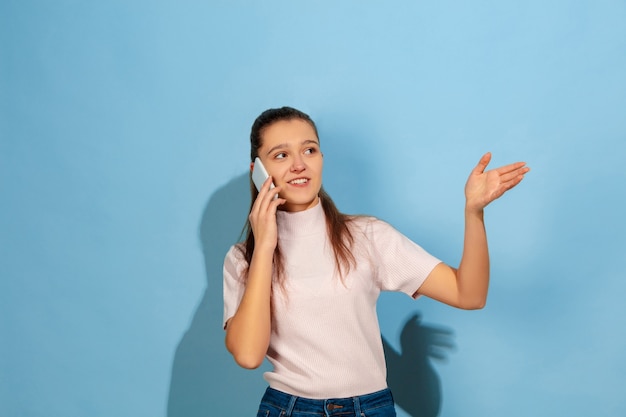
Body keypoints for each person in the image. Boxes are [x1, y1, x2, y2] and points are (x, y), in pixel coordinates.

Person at [223, 106, 529, 417]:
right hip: (288, 409)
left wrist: (474, 211)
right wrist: (264, 248)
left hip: (368, 408)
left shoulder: (368, 236)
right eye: (281, 156)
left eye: (309, 150)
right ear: (258, 170)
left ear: (321, 159)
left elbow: (470, 294)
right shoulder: (242, 259)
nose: (299, 165)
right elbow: (248, 355)